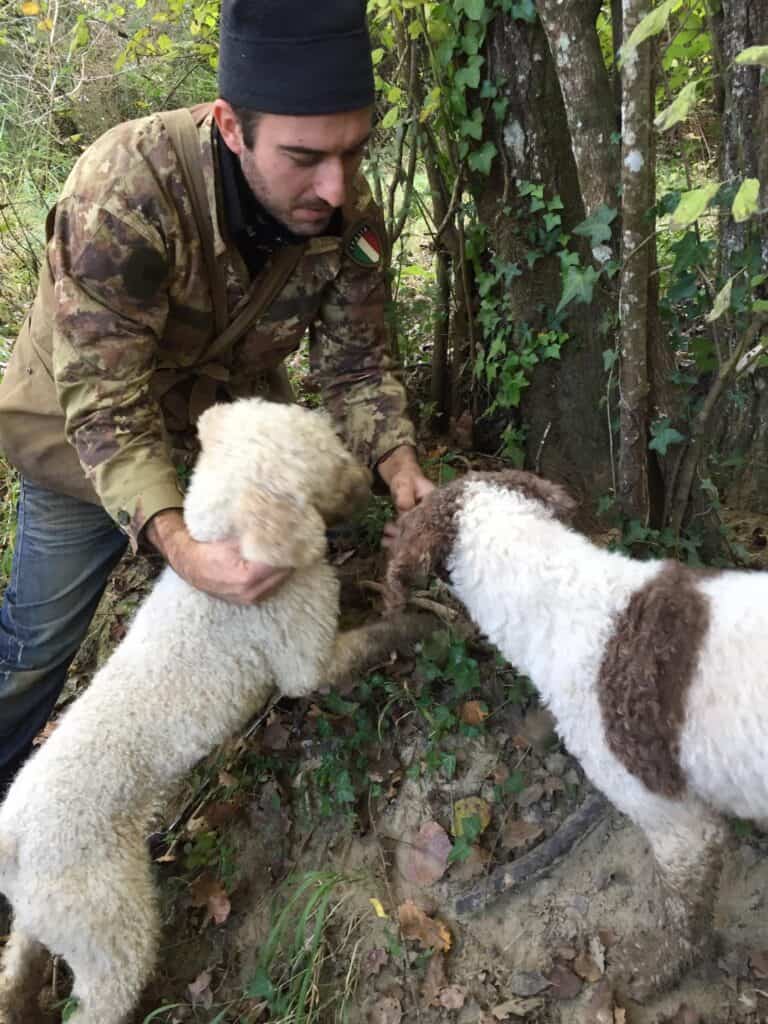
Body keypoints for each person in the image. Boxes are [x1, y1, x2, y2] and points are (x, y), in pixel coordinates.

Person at [0, 0, 433, 792]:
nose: (337, 189)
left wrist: (400, 465)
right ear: (232, 127)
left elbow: (357, 369)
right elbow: (105, 403)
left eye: (355, 151)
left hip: (221, 434)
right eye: (305, 157)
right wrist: (184, 549)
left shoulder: (347, 211)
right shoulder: (127, 191)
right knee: (34, 648)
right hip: (75, 440)